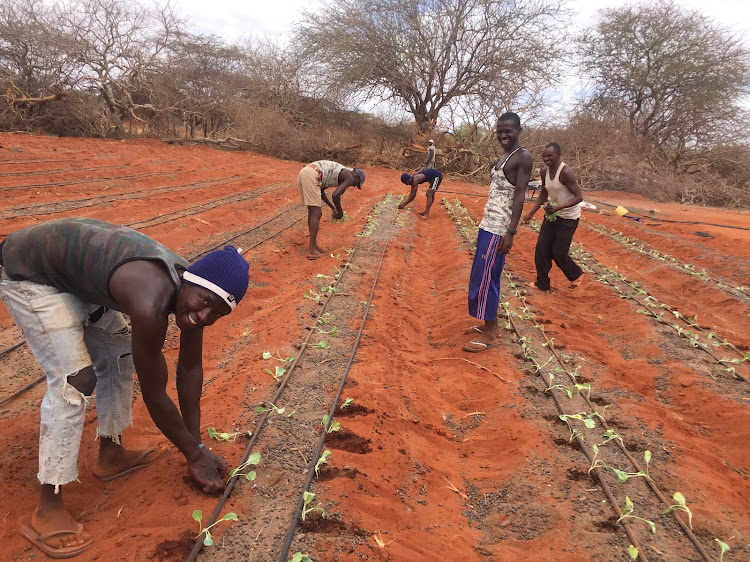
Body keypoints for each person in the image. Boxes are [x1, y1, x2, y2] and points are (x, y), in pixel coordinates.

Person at [0, 218, 249, 558]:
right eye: (205, 303)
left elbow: (189, 370)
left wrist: (198, 446)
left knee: (118, 354)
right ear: (194, 284)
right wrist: (193, 455)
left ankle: (111, 451)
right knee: (76, 379)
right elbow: (154, 391)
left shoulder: (192, 291)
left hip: (75, 279)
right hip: (29, 272)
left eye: (216, 314)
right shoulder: (151, 301)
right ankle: (48, 509)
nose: (204, 317)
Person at [464, 112, 532, 353]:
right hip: (488, 224)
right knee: (481, 275)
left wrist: (511, 232)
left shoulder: (522, 156)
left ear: (519, 130)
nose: (503, 135)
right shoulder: (507, 155)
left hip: (499, 229)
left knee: (487, 279)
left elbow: (520, 195)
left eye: (508, 131)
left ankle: (491, 333)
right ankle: (487, 324)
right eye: (499, 131)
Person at [522, 142, 584, 291]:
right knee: (542, 250)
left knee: (558, 252)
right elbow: (543, 193)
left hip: (568, 218)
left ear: (558, 155)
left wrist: (558, 207)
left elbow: (579, 197)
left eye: (550, 155)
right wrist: (531, 212)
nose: (546, 158)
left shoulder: (566, 172)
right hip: (552, 216)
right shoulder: (544, 171)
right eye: (544, 156)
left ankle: (576, 274)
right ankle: (542, 283)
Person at [297, 160, 365, 260]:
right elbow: (335, 195)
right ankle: (311, 250)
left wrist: (332, 208)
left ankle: (313, 245)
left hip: (305, 172)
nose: (354, 186)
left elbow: (321, 192)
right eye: (357, 183)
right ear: (356, 177)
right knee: (316, 212)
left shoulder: (338, 174)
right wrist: (340, 212)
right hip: (311, 174)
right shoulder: (349, 176)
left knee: (312, 211)